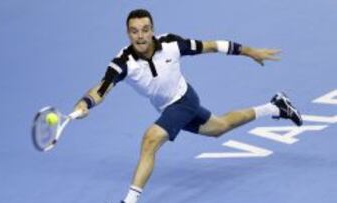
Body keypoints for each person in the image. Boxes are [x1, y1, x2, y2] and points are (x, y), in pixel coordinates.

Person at [73, 9, 303, 203]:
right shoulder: (122, 63)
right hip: (167, 108)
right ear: (128, 33)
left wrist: (250, 51)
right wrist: (85, 104)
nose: (140, 36)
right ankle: (275, 107)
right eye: (135, 31)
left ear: (152, 30)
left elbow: (212, 46)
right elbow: (102, 88)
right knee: (220, 127)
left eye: (145, 29)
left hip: (184, 100)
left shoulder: (171, 43)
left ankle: (129, 200)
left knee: (150, 139)